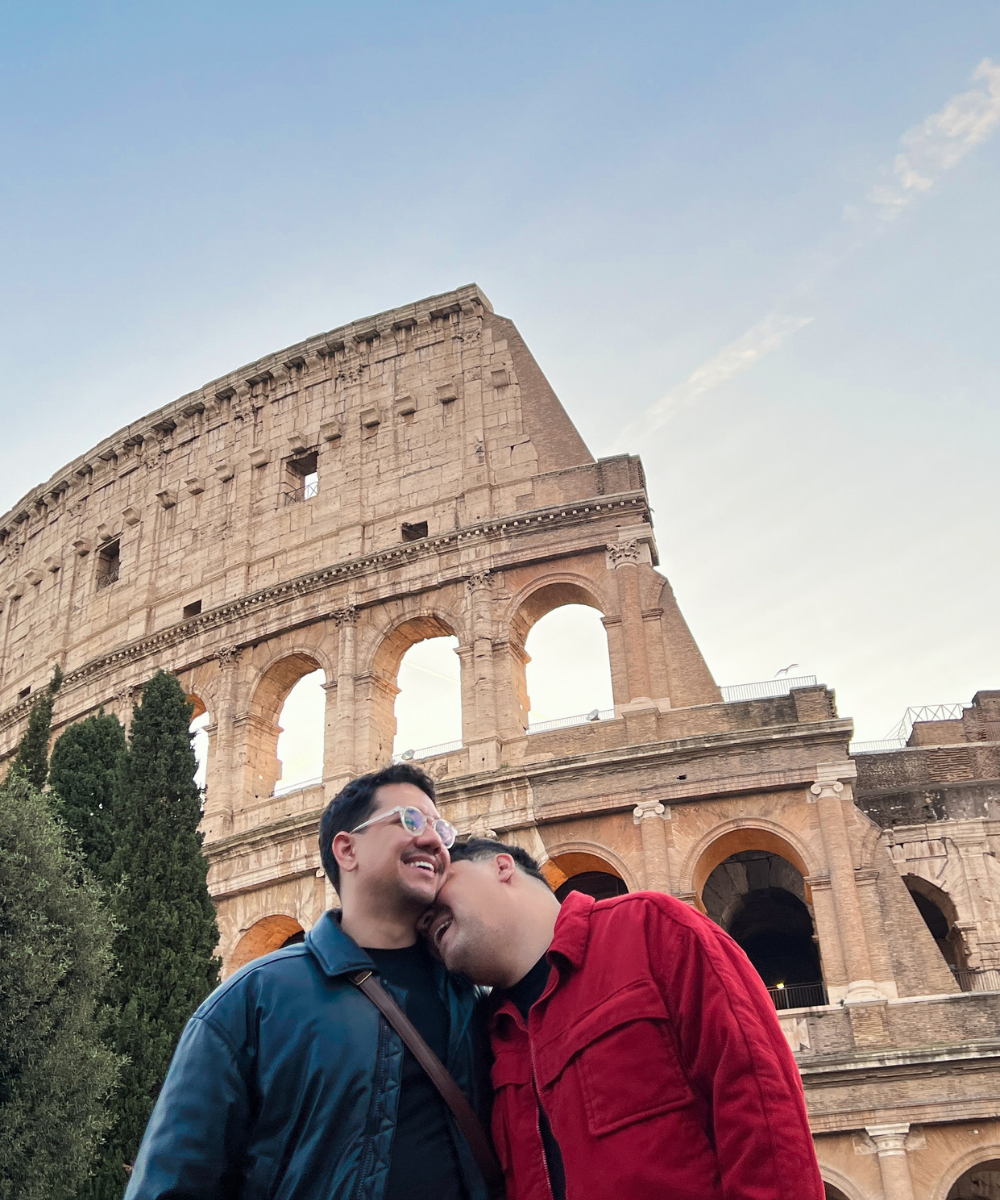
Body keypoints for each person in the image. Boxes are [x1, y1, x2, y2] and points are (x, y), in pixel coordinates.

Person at [125, 763, 491, 1200]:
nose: (433, 840)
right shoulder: (255, 998)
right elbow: (175, 1183)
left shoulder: (473, 995)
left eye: (441, 829)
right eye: (410, 821)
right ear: (347, 850)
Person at [424, 838, 825, 1200]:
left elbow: (763, 1111)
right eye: (419, 921)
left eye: (442, 878)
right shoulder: (489, 1036)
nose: (424, 916)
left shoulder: (652, 928)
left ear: (502, 866)